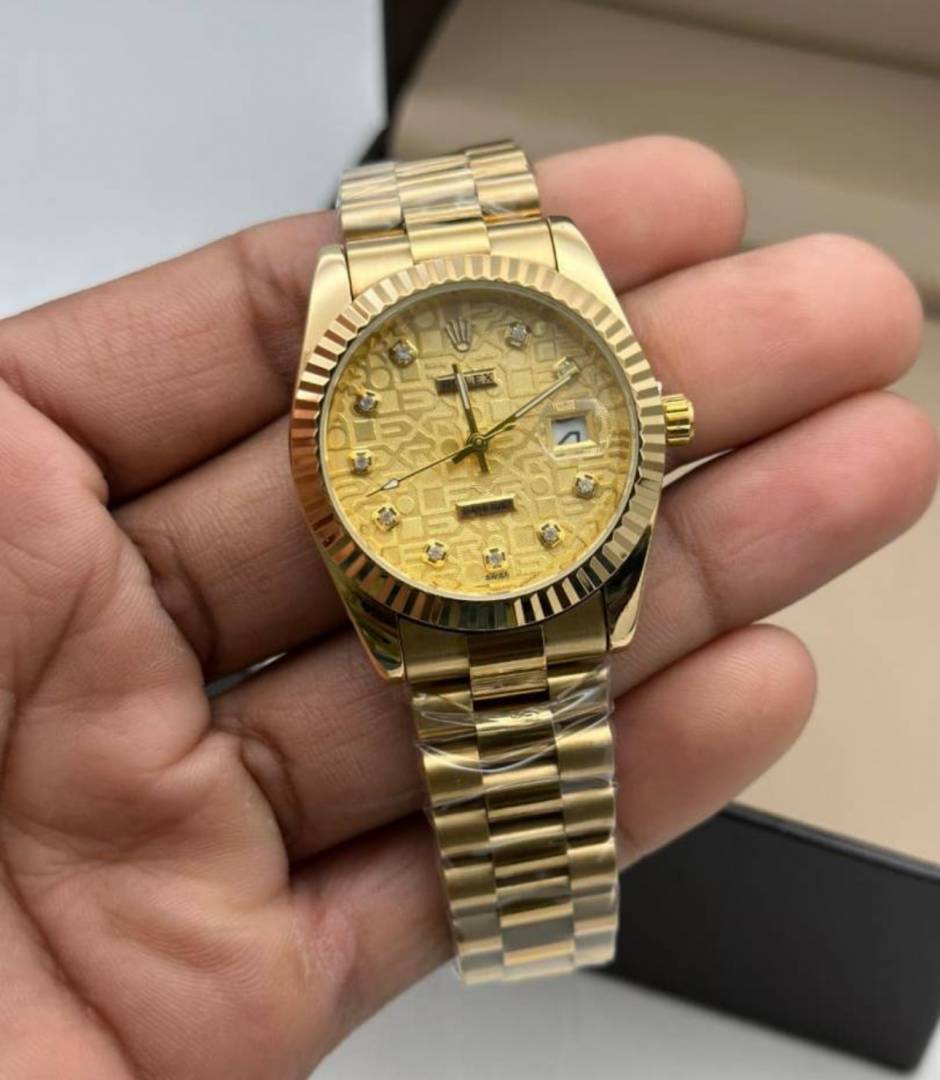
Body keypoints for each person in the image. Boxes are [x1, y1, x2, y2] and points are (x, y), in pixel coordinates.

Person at [0, 137, 935, 1078]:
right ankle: (533, 925)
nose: (479, 450)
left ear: (655, 419)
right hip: (437, 587)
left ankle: (540, 923)